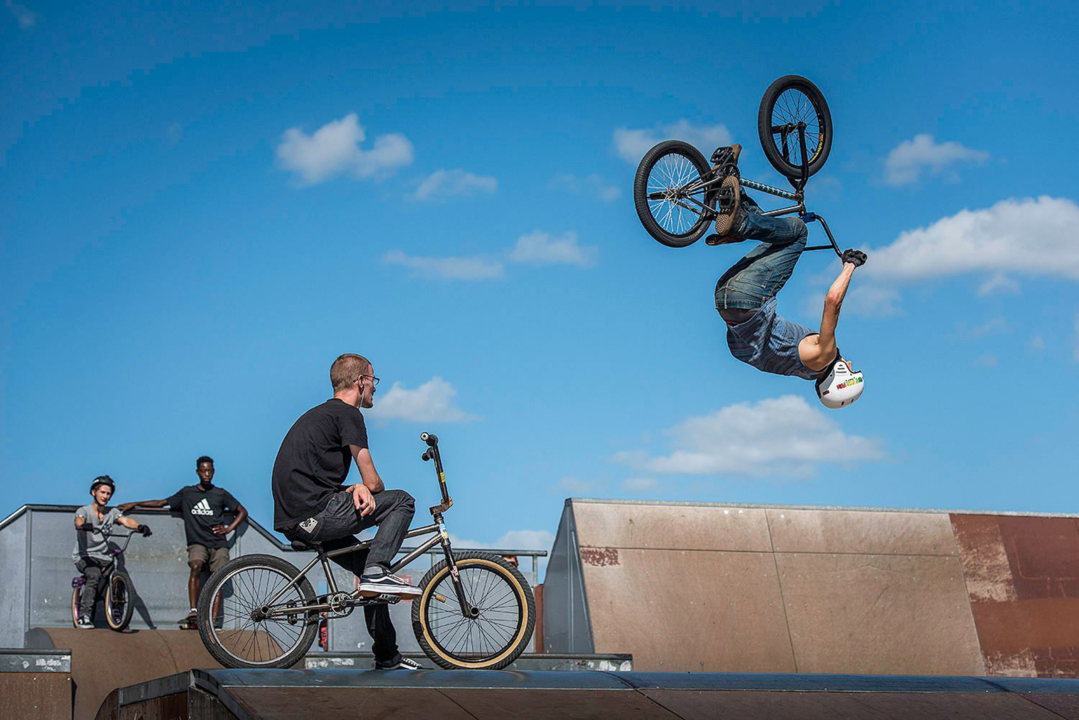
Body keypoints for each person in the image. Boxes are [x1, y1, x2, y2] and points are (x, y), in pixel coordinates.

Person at [272, 353, 421, 671]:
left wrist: (353, 488)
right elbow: (374, 482)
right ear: (361, 381)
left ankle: (387, 656)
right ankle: (377, 571)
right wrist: (365, 485)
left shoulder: (321, 415)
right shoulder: (348, 414)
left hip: (301, 512)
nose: (375, 388)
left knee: (369, 570)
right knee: (402, 501)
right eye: (373, 380)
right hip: (314, 514)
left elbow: (314, 478)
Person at [707, 144, 867, 409]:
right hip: (725, 299)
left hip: (750, 299)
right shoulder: (792, 367)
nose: (849, 362)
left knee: (798, 232)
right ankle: (728, 185)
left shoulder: (825, 355)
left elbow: (833, 301)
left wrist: (850, 265)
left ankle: (740, 223)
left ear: (841, 377)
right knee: (776, 238)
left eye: (850, 368)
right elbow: (743, 351)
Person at [119, 456, 248, 626]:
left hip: (218, 543)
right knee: (196, 565)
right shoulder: (187, 493)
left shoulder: (220, 494)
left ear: (214, 472)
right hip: (197, 542)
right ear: (197, 472)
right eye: (203, 471)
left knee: (218, 579)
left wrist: (228, 529)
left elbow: (242, 511)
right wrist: (134, 504)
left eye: (209, 471)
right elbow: (161, 503)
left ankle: (213, 620)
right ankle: (194, 611)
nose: (207, 474)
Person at [72, 475, 152, 629]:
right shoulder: (84, 511)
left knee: (117, 576)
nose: (105, 496)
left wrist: (139, 527)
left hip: (104, 557)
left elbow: (126, 520)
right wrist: (83, 526)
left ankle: (118, 616)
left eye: (108, 494)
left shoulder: (112, 512)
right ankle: (84, 615)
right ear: (93, 492)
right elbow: (78, 520)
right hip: (85, 556)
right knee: (94, 575)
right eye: (102, 492)